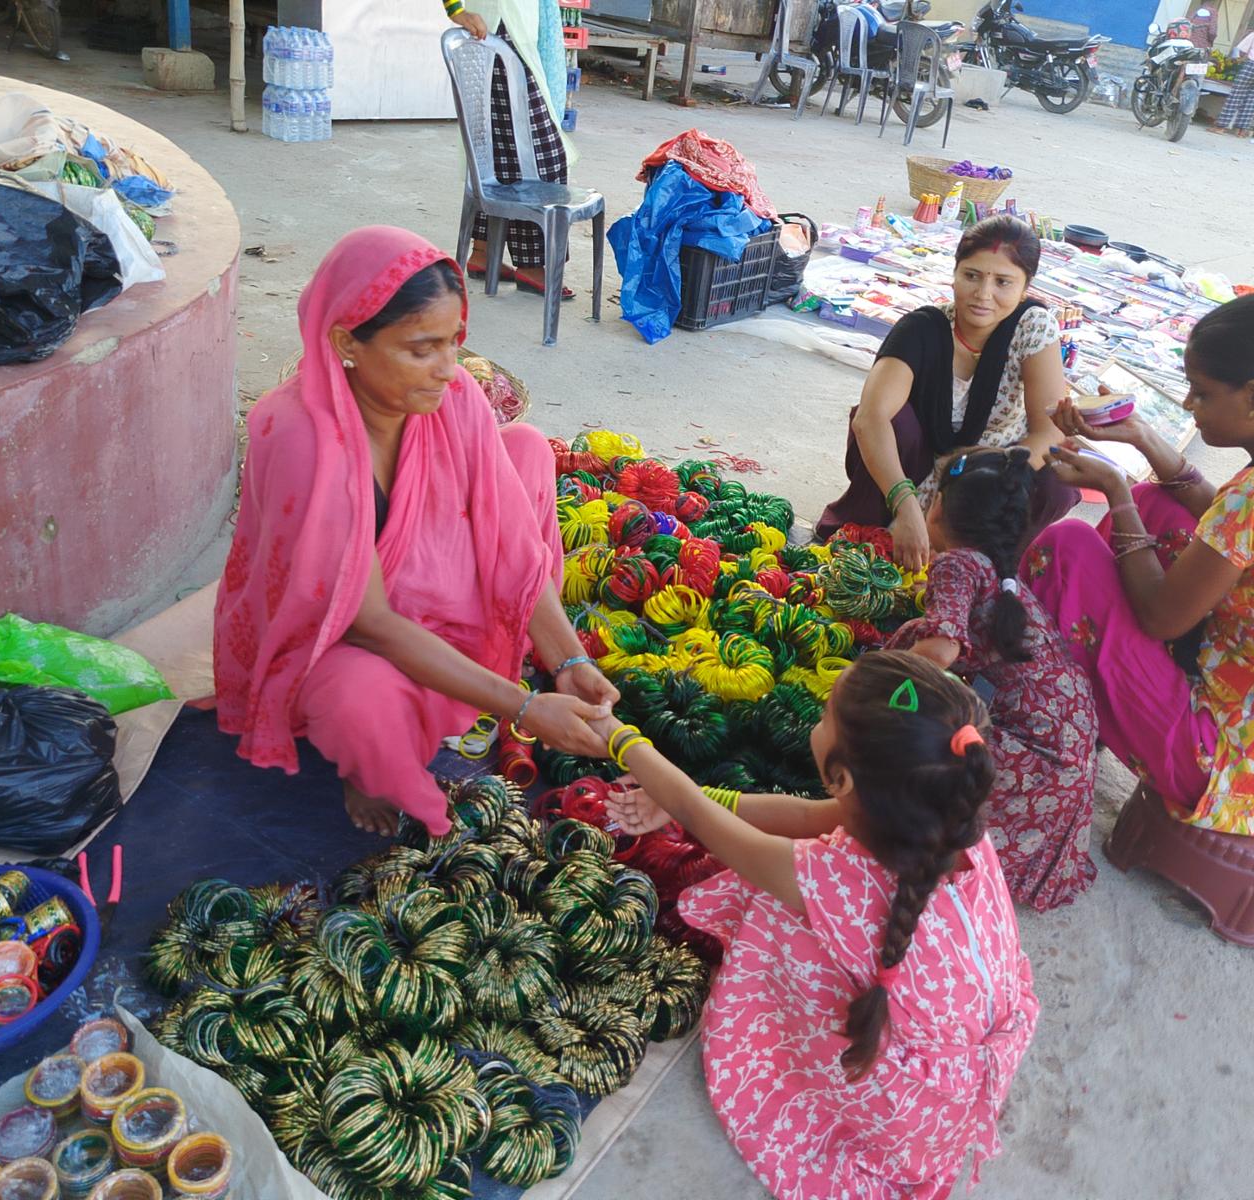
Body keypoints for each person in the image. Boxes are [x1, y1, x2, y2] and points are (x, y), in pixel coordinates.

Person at [212, 226, 619, 836]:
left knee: (527, 449)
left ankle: (472, 680)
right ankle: (366, 768)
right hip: (345, 630)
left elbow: (512, 547)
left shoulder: (453, 397)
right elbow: (367, 620)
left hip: (434, 595)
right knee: (356, 702)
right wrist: (526, 706)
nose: (446, 370)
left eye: (453, 344)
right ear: (347, 342)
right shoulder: (296, 433)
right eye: (420, 349)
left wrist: (567, 661)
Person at [597, 652, 1038, 1199]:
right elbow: (806, 815)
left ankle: (816, 1098)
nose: (817, 720)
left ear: (844, 778)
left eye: (826, 714)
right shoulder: (939, 821)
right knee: (801, 882)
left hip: (906, 1115)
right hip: (947, 1099)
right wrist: (690, 801)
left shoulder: (833, 883)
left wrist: (617, 737)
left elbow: (714, 826)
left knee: (773, 913)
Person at [1025, 292, 1254, 838]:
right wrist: (1143, 438)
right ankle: (1081, 674)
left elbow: (1159, 618)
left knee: (1070, 548)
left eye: (1202, 394)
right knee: (1158, 505)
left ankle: (1050, 688)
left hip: (1220, 766)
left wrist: (1114, 487)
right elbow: (1234, 525)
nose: (1190, 404)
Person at [886, 447, 1099, 911]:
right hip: (1068, 748)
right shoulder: (1000, 572)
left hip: (1032, 756)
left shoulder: (955, 564)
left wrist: (872, 690)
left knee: (908, 728)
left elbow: (942, 650)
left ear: (937, 506)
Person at [816, 215, 1077, 570]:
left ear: (1025, 288)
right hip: (915, 470)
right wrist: (906, 504)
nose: (983, 295)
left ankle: (993, 560)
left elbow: (1048, 431)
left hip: (994, 473)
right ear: (954, 273)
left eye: (1003, 282)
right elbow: (870, 419)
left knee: (1055, 480)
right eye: (972, 276)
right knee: (897, 423)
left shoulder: (1032, 327)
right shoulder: (922, 329)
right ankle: (877, 525)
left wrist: (975, 486)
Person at [445, 2, 576, 299]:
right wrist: (455, 10)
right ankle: (531, 266)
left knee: (495, 152)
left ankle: (482, 250)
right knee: (540, 158)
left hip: (512, 26)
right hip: (501, 29)